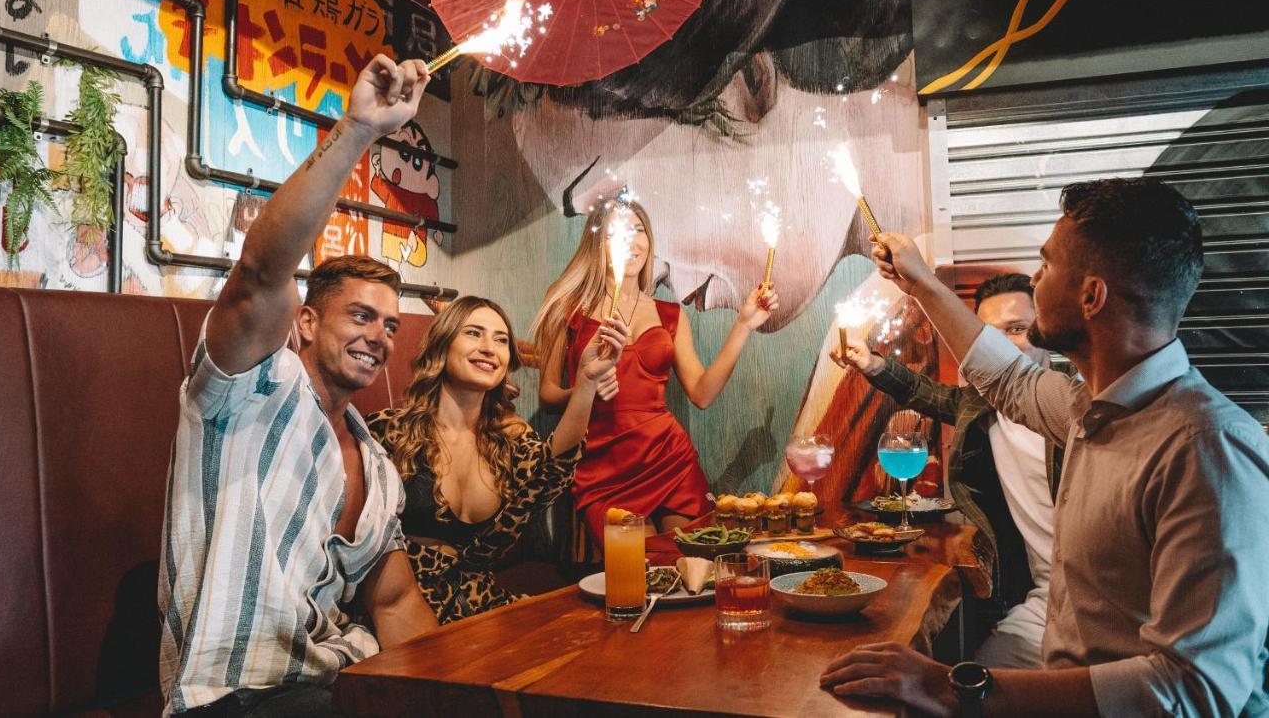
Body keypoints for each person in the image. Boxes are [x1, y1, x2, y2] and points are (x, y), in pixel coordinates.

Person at [821, 178, 1269, 717]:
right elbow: (1005, 378)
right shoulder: (1091, 410)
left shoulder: (1205, 447)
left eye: (1047, 266)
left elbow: (1193, 689)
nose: (1035, 281)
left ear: (1091, 296)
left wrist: (949, 687)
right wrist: (921, 284)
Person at [159, 55, 440, 717]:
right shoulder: (251, 386)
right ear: (306, 322)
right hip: (234, 696)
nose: (380, 334)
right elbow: (261, 270)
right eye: (362, 315)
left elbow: (395, 600)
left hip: (339, 677)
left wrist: (464, 690)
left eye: (391, 324)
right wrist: (357, 130)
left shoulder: (375, 461)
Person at [832, 272, 1072, 669]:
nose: (1001, 345)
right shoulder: (981, 406)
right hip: (1042, 602)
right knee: (971, 689)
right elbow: (928, 394)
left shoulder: (1078, 408)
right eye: (987, 334)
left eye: (1017, 329)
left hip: (1108, 608)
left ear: (1044, 331)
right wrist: (871, 362)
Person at [531, 198, 780, 542]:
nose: (631, 240)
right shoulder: (566, 306)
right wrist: (585, 389)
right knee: (641, 570)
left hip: (668, 456)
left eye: (638, 230)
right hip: (605, 465)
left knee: (700, 558)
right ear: (595, 243)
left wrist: (743, 326)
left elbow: (702, 394)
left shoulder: (669, 313)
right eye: (615, 232)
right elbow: (547, 396)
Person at [367, 296, 629, 622]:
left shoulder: (509, 442)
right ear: (443, 344)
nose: (490, 347)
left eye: (501, 339)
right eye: (474, 333)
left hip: (481, 612)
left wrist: (587, 381)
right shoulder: (386, 433)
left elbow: (554, 470)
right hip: (403, 616)